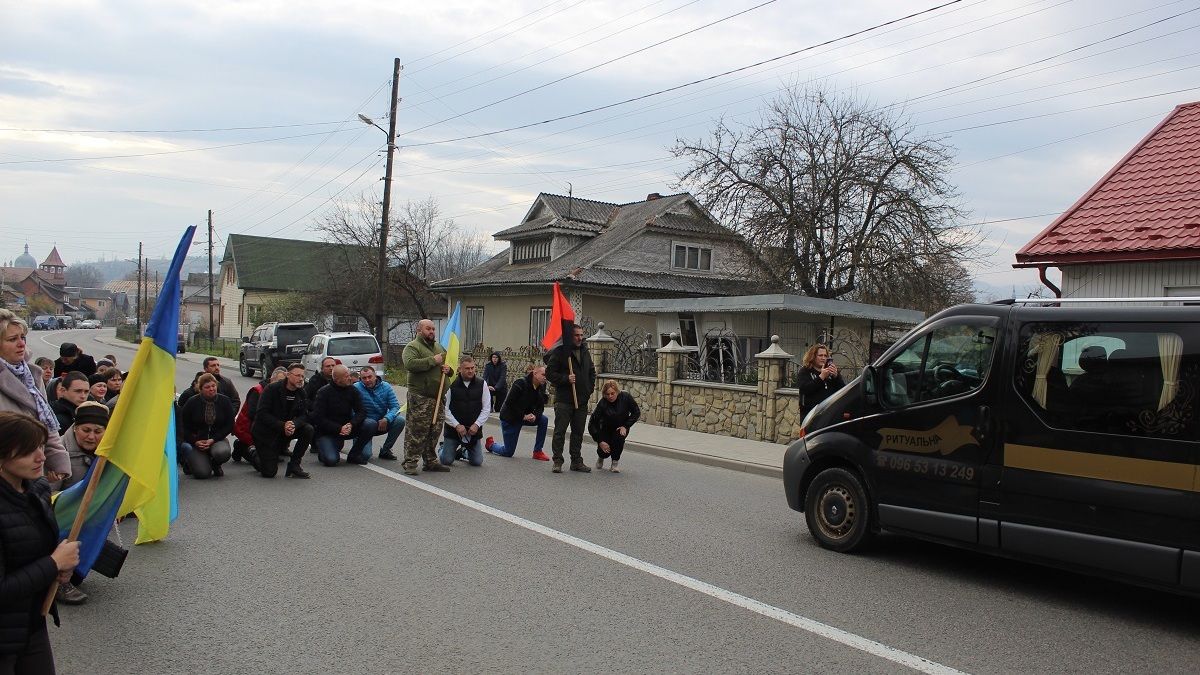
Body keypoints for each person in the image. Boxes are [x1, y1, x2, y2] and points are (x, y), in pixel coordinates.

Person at [0, 411, 81, 673]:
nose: (42, 457)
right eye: (28, 451)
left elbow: (38, 550)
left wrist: (60, 568)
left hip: (32, 624)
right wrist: (53, 562)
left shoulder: (37, 489)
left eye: (41, 446)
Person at [0, 310, 71, 484]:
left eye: (22, 337)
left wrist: (58, 462)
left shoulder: (31, 375)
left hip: (32, 471)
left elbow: (45, 424)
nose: (21, 344)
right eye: (12, 339)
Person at [400, 319, 453, 476]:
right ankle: (410, 462)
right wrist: (433, 360)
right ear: (419, 330)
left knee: (434, 430)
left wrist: (448, 369)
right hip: (420, 397)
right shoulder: (412, 347)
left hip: (437, 397)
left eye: (433, 329)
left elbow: (448, 367)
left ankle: (430, 460)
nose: (431, 331)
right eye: (428, 329)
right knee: (417, 431)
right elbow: (410, 364)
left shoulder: (438, 347)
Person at [544, 324, 596, 473]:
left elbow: (591, 372)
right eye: (576, 335)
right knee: (560, 431)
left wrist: (588, 390)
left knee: (578, 432)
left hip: (581, 399)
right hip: (564, 400)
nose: (580, 338)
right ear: (570, 336)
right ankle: (558, 461)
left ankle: (576, 461)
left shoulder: (585, 351)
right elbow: (550, 373)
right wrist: (566, 378)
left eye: (581, 335)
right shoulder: (561, 352)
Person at [252, 363, 314, 479]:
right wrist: (282, 425)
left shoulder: (301, 392)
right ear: (288, 375)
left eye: (302, 376)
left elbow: (304, 415)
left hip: (286, 430)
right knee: (269, 473)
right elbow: (262, 413)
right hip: (266, 432)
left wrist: (294, 424)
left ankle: (294, 465)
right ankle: (254, 454)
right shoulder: (272, 389)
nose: (301, 379)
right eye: (297, 375)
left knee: (308, 429)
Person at [485, 364, 549, 460]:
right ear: (535, 373)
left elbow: (540, 407)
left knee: (543, 420)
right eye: (543, 375)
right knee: (508, 452)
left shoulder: (541, 386)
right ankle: (491, 445)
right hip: (511, 418)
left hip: (525, 417)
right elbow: (510, 403)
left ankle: (537, 451)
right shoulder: (520, 383)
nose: (545, 378)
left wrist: (535, 416)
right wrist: (523, 416)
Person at [179, 373, 235, 479]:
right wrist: (194, 440)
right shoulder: (192, 402)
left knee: (222, 452)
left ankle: (215, 463)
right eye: (207, 387)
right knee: (202, 474)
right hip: (196, 441)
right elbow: (182, 426)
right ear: (200, 389)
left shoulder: (225, 401)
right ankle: (192, 462)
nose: (211, 389)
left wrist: (214, 439)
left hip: (216, 439)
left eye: (213, 386)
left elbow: (229, 424)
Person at [439, 356, 490, 468]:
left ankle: (463, 451)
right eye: (467, 368)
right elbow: (444, 409)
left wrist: (477, 425)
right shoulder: (451, 385)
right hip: (453, 431)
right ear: (460, 369)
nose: (470, 371)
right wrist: (456, 425)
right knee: (446, 460)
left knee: (477, 462)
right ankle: (443, 448)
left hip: (473, 431)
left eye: (472, 368)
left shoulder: (482, 384)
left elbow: (486, 408)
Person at [311, 365, 365, 467]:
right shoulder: (323, 392)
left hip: (347, 427)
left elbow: (361, 411)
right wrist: (338, 428)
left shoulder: (352, 390)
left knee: (369, 424)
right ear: (336, 379)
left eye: (349, 375)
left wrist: (351, 424)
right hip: (327, 432)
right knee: (331, 460)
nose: (349, 378)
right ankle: (324, 450)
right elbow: (318, 418)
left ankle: (354, 454)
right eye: (346, 376)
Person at [233, 367, 286, 466]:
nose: (281, 384)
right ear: (271, 379)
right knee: (258, 461)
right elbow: (253, 414)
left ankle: (276, 449)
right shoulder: (257, 391)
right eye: (279, 381)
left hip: (266, 428)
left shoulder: (281, 393)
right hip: (248, 429)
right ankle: (240, 446)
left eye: (284, 382)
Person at [351, 366, 404, 462]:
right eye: (364, 378)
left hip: (381, 423)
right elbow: (353, 411)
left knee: (400, 421)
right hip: (365, 425)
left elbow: (395, 407)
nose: (367, 380)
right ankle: (358, 441)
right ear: (360, 379)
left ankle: (385, 450)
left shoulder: (386, 386)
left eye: (370, 377)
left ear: (375, 376)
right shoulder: (356, 388)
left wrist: (386, 418)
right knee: (365, 455)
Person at [588, 380, 641, 473]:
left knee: (618, 440)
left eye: (613, 393)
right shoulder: (602, 403)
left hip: (621, 427)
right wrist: (600, 441)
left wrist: (626, 425)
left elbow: (636, 412)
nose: (610, 396)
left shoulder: (626, 397)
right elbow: (592, 423)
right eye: (607, 394)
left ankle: (614, 463)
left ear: (617, 391)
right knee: (605, 450)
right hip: (605, 428)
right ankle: (601, 457)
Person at [797, 344, 844, 415]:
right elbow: (804, 389)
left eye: (825, 356)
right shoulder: (805, 371)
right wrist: (821, 377)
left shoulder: (831, 371)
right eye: (820, 355)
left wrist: (836, 377)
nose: (823, 358)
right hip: (811, 413)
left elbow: (842, 390)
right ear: (813, 356)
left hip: (829, 413)